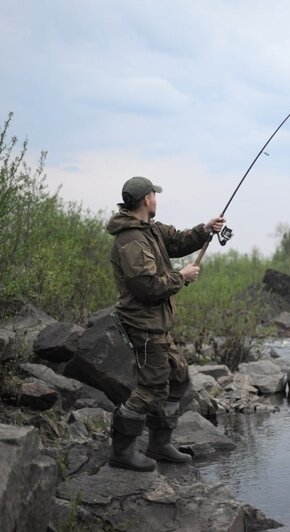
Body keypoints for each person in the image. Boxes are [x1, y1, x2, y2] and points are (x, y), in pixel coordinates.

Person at [106, 176, 225, 472]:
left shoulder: (152, 231)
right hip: (143, 325)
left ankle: (159, 444)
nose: (156, 199)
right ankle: (121, 452)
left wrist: (205, 230)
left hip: (157, 325)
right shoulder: (130, 240)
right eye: (154, 195)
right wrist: (181, 277)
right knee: (150, 388)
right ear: (146, 200)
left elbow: (179, 241)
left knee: (178, 377)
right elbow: (145, 286)